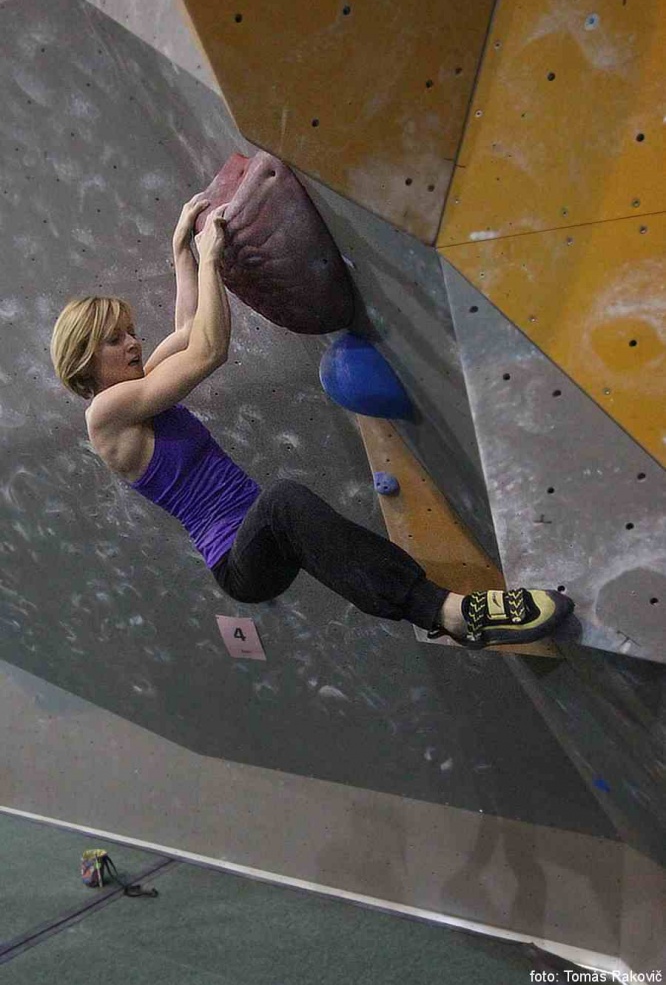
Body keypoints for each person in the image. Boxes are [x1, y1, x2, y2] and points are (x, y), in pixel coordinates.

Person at [50, 194, 574, 649]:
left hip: (262, 533)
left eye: (132, 331)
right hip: (238, 562)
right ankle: (450, 614)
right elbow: (209, 350)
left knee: (283, 506)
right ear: (84, 358)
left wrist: (181, 247)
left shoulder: (140, 391)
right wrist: (210, 259)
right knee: (283, 501)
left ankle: (442, 609)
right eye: (116, 339)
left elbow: (189, 328)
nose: (134, 343)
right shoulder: (105, 415)